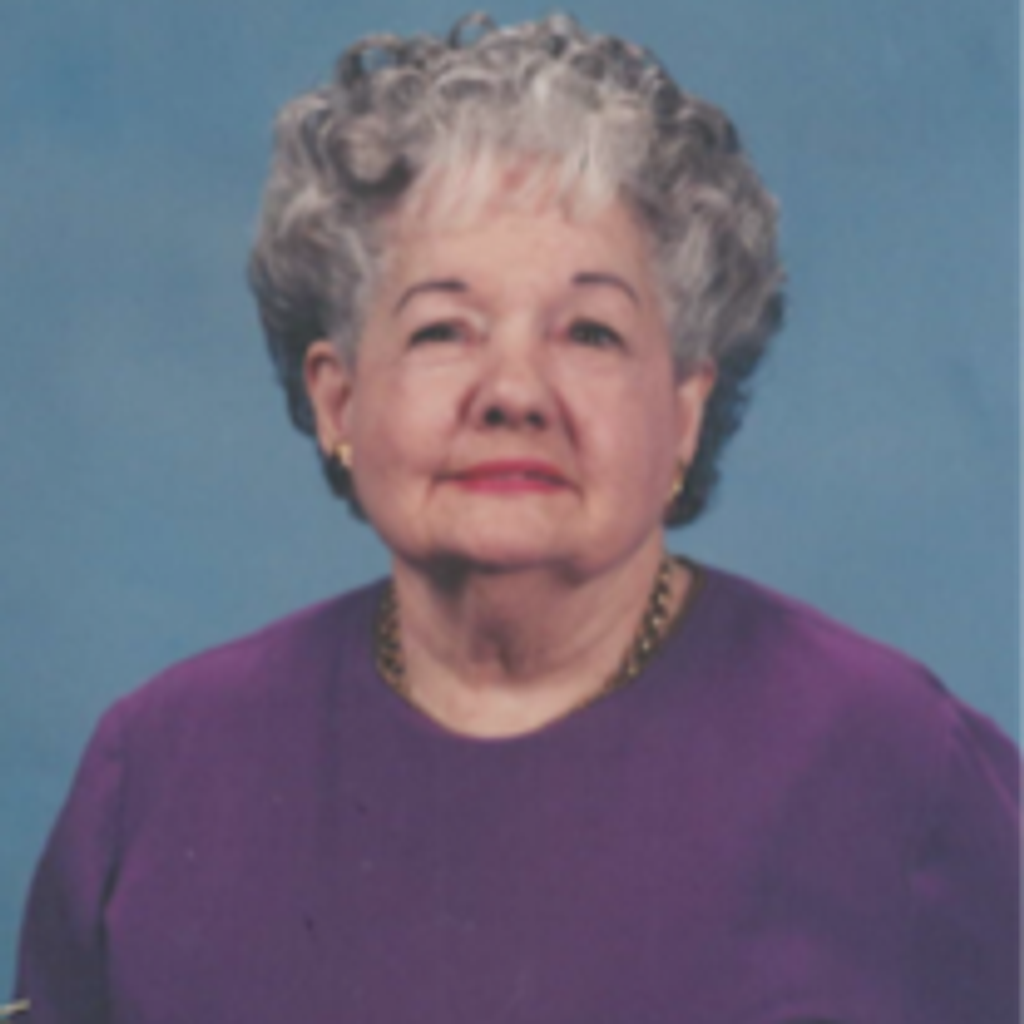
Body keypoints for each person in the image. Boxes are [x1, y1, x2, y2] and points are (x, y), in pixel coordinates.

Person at [10, 13, 1022, 1024]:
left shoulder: (901, 766)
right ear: (338, 400)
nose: (513, 392)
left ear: (682, 409)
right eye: (443, 328)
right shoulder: (160, 769)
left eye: (589, 331)